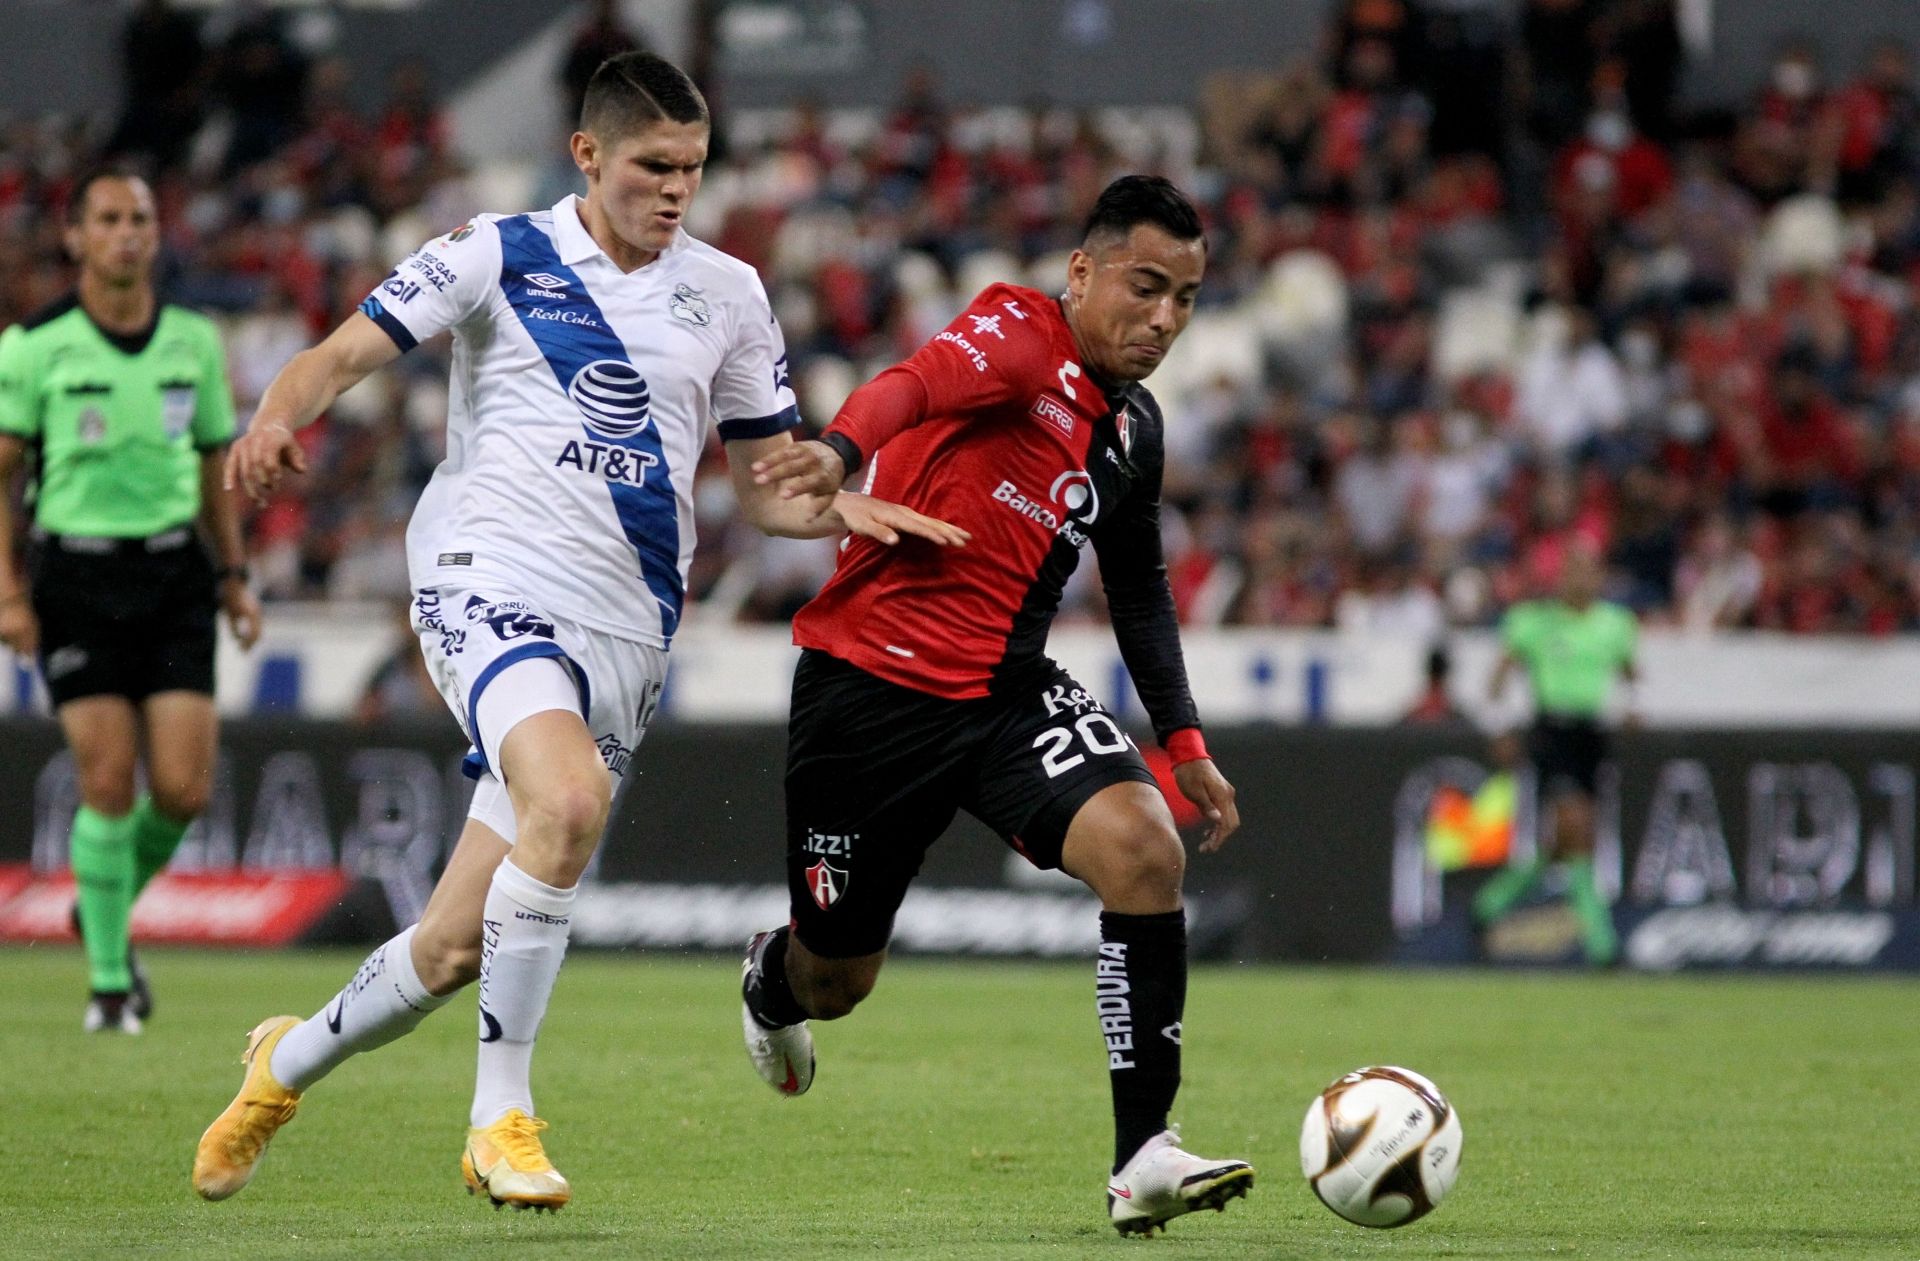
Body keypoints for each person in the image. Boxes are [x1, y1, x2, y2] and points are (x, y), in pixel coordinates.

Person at [191, 51, 964, 1214]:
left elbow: (764, 486)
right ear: (587, 156)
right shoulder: (497, 253)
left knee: (452, 947)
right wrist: (271, 419)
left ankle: (281, 1065)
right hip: (486, 580)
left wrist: (836, 507)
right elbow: (338, 354)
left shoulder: (730, 293)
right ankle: (498, 1120)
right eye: (654, 166)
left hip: (626, 631)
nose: (677, 190)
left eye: (693, 168)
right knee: (566, 801)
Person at [740, 175, 1253, 1237]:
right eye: (1145, 287)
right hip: (869, 693)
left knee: (1144, 849)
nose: (1164, 319)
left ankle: (1143, 1155)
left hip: (1005, 693)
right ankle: (770, 982)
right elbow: (912, 383)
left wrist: (1185, 739)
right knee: (836, 979)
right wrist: (839, 452)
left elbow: (1140, 585)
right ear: (1082, 272)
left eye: (1186, 298)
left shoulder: (1135, 427)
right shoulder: (1020, 332)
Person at [0, 170, 260, 1036]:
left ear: (156, 233)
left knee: (183, 790)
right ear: (76, 235)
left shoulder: (193, 340)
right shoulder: (32, 346)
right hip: (73, 577)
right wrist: (9, 592)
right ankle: (110, 985)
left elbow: (211, 466)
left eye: (139, 218)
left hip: (175, 575)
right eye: (108, 218)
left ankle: (100, 906)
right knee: (107, 779)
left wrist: (233, 575)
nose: (125, 232)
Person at [1475, 545, 1638, 964]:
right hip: (1552, 732)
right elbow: (1497, 678)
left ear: (1600, 577)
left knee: (1569, 840)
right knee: (1576, 824)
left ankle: (1492, 902)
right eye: (1571, 569)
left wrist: (1632, 707)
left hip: (1592, 737)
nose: (1579, 579)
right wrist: (1499, 727)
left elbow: (1630, 673)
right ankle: (1602, 943)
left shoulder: (1615, 624)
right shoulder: (1532, 623)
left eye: (1587, 570)